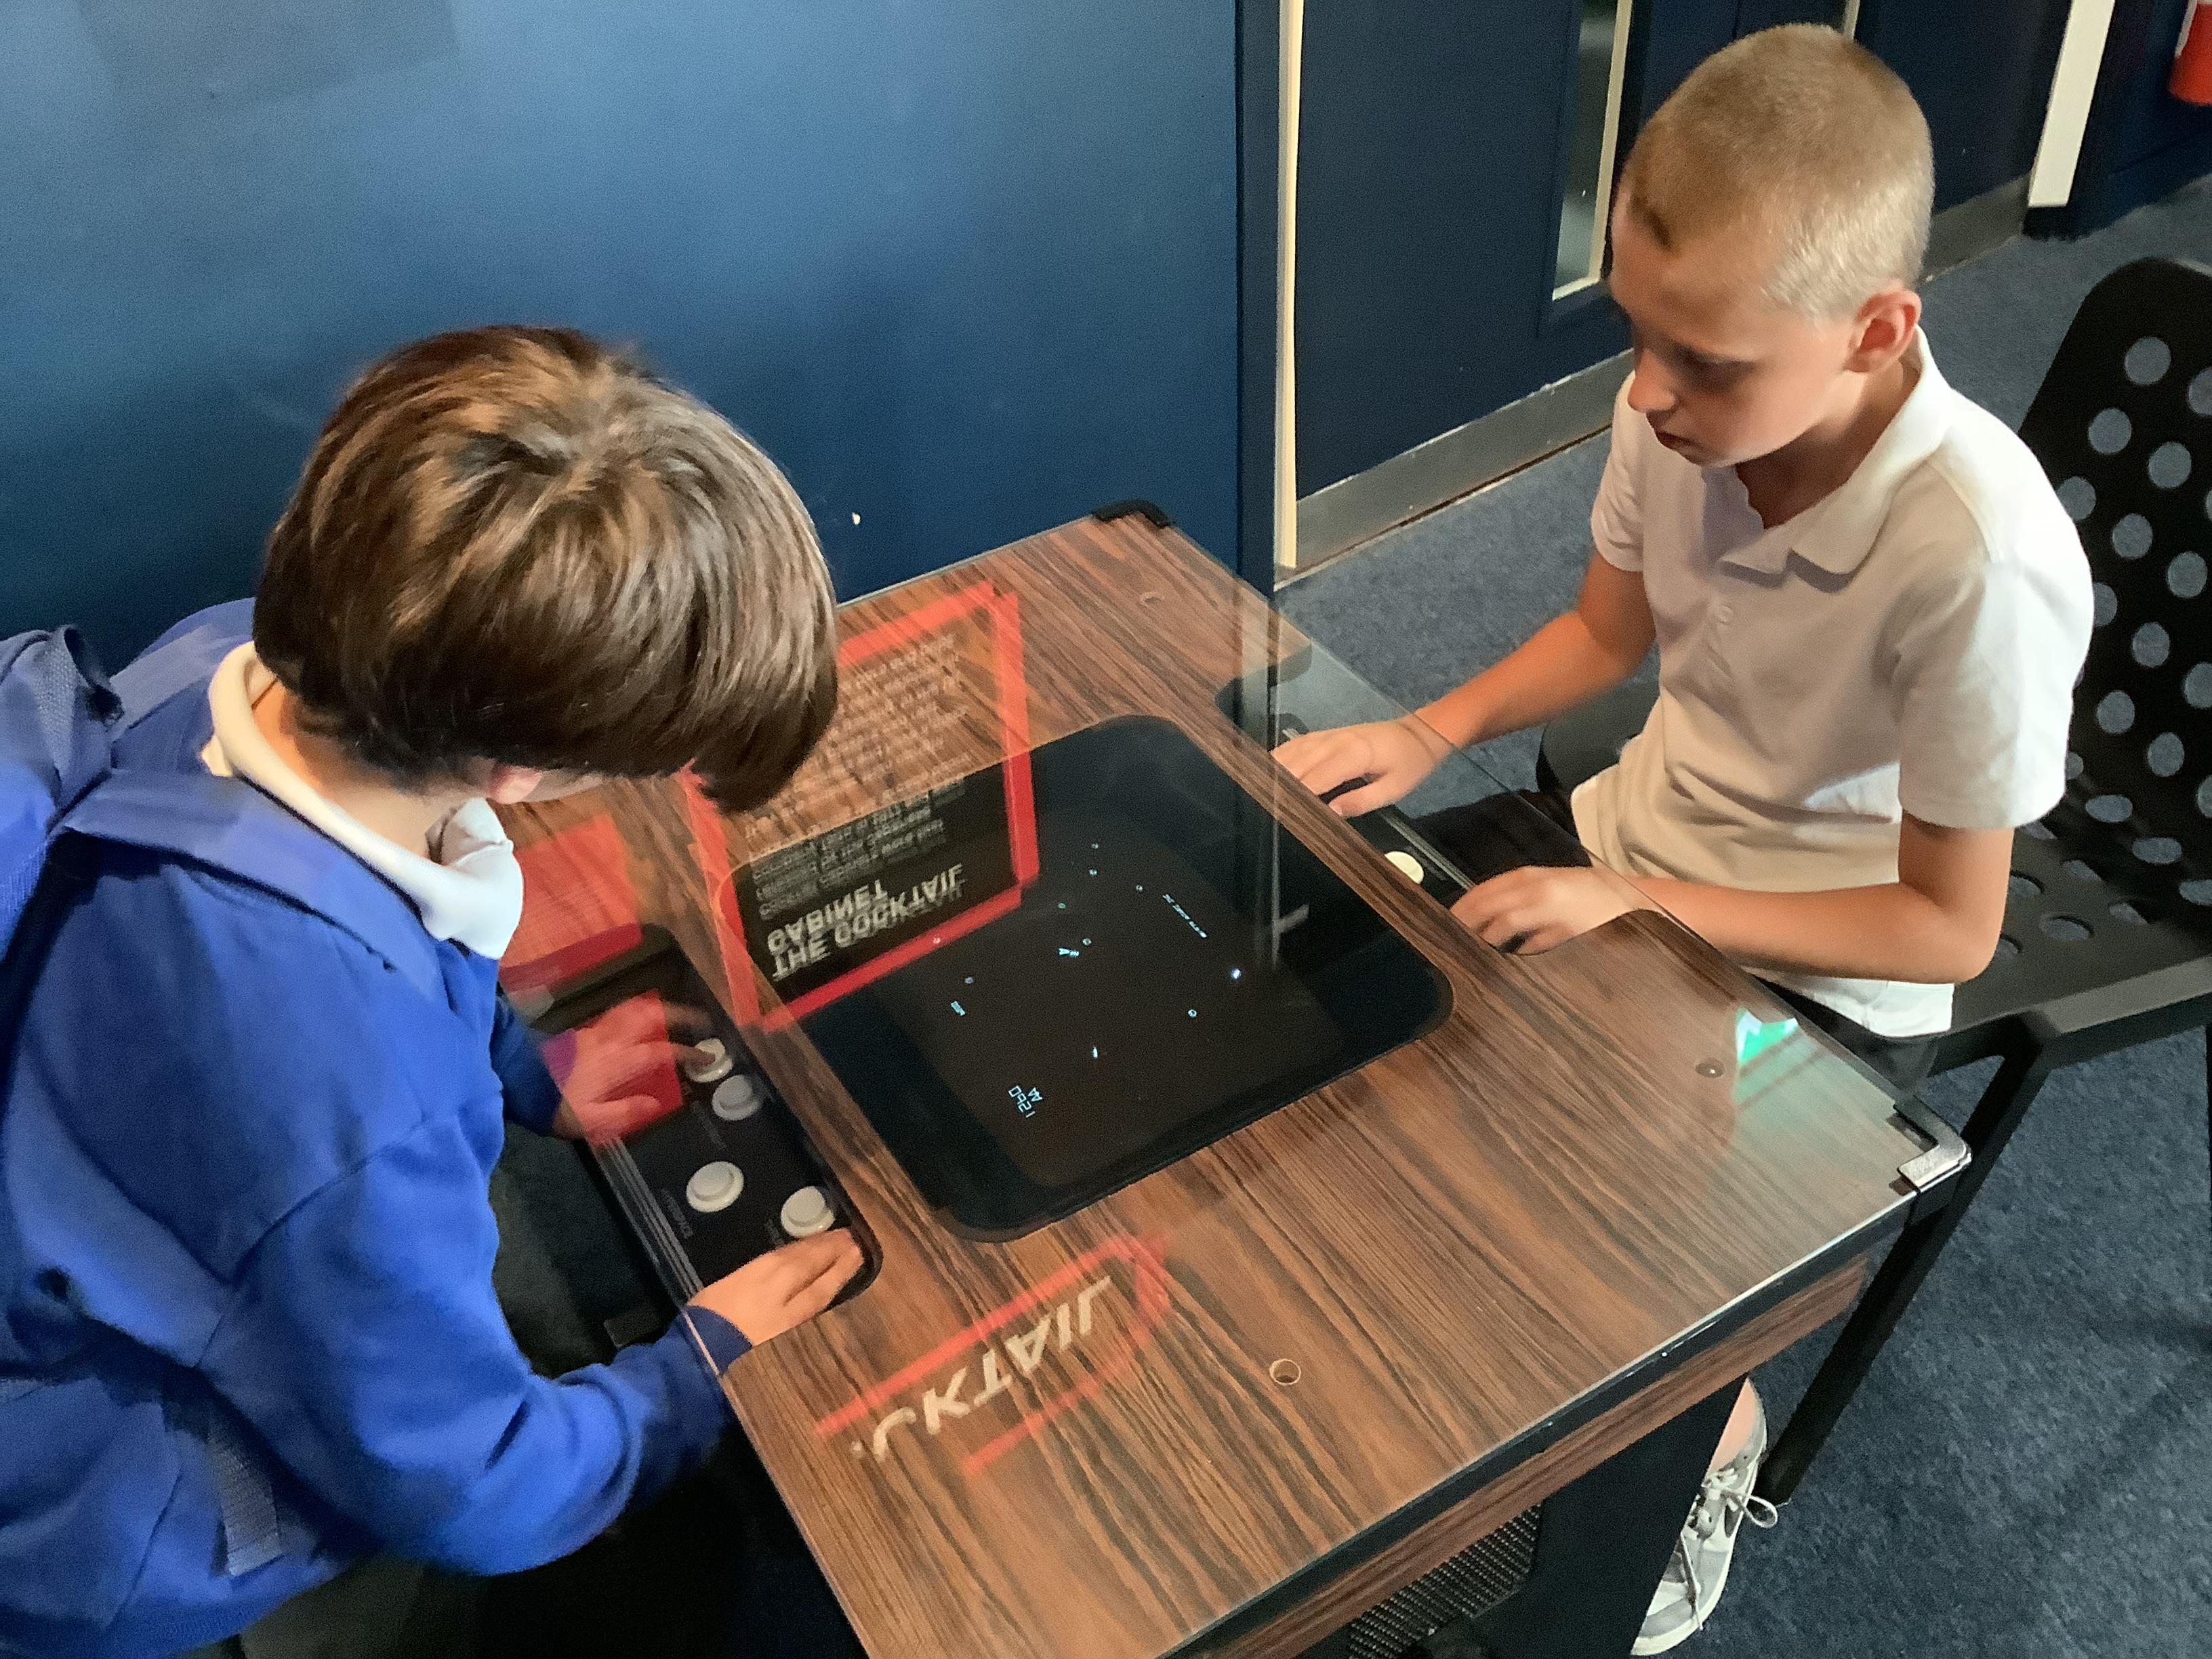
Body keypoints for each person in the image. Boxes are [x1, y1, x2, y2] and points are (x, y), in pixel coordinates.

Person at [1277, 25, 2091, 1654]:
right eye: (1638, 335)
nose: (1650, 393)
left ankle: (1714, 1438)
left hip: (1827, 993)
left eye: (1705, 361)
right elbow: (1609, 632)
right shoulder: (1679, 414)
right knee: (1342, 1005)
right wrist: (1425, 730)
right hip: (1629, 849)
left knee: (1607, 1258)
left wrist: (1634, 899)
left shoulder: (1979, 562)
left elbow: (1947, 929)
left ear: (1877, 330)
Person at [0, 327, 865, 1658]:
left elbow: (403, 922)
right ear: (518, 774)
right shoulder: (358, 1098)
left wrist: (527, 1075)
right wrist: (692, 1377)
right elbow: (473, 1486)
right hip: (127, 1522)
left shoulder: (226, 661)